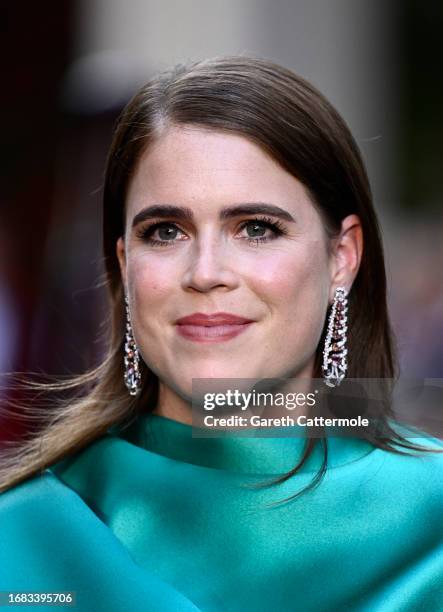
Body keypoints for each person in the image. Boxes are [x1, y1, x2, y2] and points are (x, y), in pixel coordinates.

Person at [1, 55, 442, 612]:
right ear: (124, 264)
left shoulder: (433, 521)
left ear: (342, 257)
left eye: (256, 229)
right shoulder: (22, 541)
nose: (206, 271)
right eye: (165, 231)